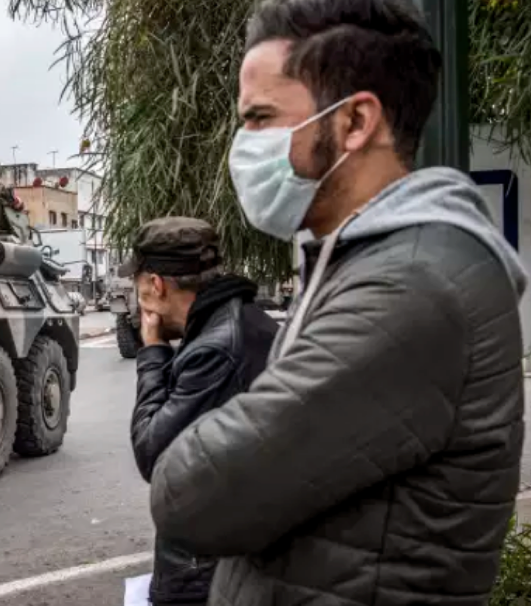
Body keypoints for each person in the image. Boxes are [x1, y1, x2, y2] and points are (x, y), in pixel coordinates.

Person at [148, 0, 528, 604]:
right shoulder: (367, 260)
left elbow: (194, 494)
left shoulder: (413, 284)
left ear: (354, 122)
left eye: (261, 118)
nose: (242, 146)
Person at [122, 217, 279, 605]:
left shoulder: (214, 349)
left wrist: (152, 351)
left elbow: (153, 454)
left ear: (156, 285)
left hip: (208, 569)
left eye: (138, 286)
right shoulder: (240, 321)